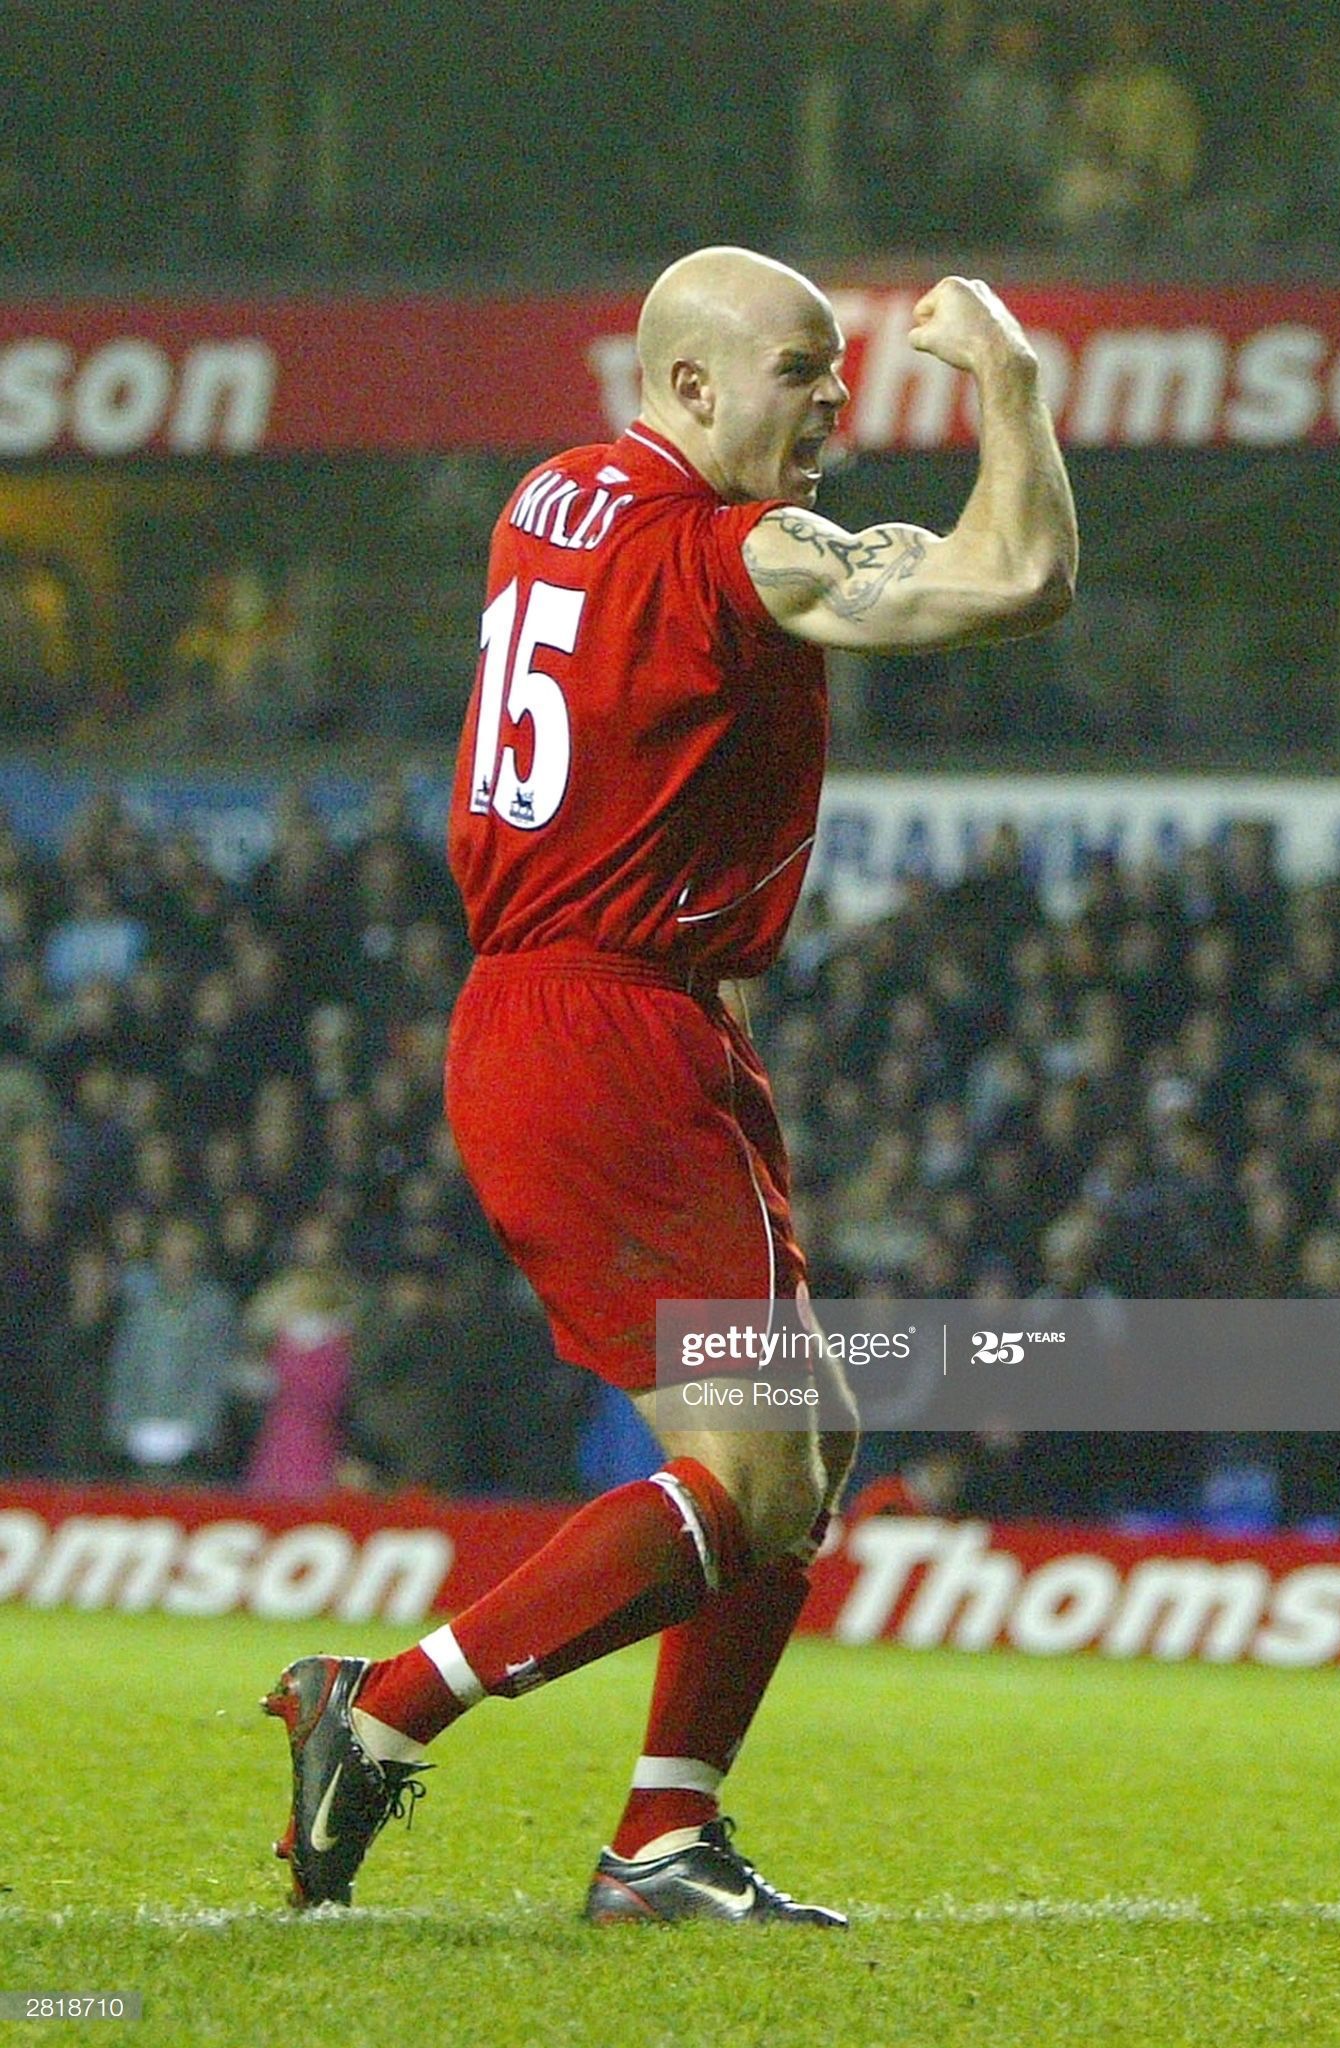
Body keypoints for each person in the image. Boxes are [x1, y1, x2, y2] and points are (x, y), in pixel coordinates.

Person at [264, 244, 1075, 1923]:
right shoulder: (736, 550)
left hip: (582, 1023)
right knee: (762, 1472)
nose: (837, 402)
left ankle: (662, 1838)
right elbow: (1019, 580)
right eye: (802, 373)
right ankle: (385, 1707)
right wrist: (1008, 379)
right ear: (693, 387)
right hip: (608, 1035)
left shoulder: (549, 499)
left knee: (810, 1444)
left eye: (837, 377)